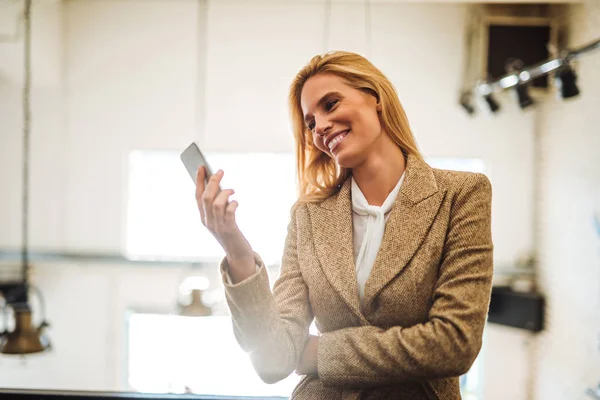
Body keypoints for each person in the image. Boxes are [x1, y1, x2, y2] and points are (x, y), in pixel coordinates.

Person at [194, 51, 493, 399]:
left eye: (331, 104)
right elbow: (274, 359)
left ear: (375, 99)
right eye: (310, 123)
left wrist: (319, 353)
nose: (319, 126)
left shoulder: (461, 194)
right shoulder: (308, 216)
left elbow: (454, 342)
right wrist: (236, 249)